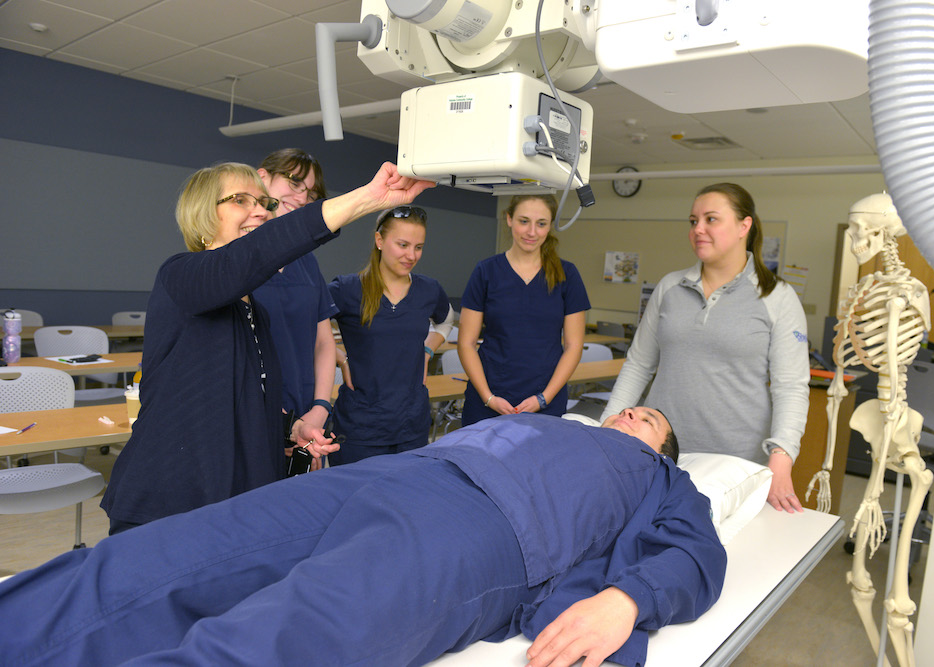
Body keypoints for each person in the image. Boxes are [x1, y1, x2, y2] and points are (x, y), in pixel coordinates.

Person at [0, 408, 725, 667]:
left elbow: (700, 556)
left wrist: (628, 600)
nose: (634, 413)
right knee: (161, 556)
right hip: (395, 474)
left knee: (282, 636)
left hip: (485, 530)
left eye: (651, 418)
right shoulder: (561, 422)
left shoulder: (659, 479)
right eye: (632, 409)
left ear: (664, 450)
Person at [99, 161, 434, 533]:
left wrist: (290, 429)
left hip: (233, 507)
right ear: (202, 214)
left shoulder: (255, 312)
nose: (260, 210)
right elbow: (254, 255)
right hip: (167, 507)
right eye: (240, 200)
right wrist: (367, 199)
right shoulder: (181, 276)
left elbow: (243, 397)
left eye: (264, 203)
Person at [600, 183, 810, 513]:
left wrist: (782, 458)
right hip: (657, 453)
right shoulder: (670, 287)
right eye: (693, 220)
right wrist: (607, 426)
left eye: (711, 219)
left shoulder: (778, 298)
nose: (698, 229)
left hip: (734, 463)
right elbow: (638, 364)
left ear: (744, 226)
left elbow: (791, 387)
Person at [326, 205, 453, 463]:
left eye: (418, 247)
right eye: (403, 245)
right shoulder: (348, 289)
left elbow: (446, 320)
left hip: (411, 425)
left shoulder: (429, 290)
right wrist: (338, 356)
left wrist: (428, 350)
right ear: (380, 240)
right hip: (360, 427)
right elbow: (306, 322)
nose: (411, 255)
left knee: (401, 500)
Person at [458, 194, 590, 426]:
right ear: (509, 219)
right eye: (523, 221)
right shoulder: (486, 271)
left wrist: (544, 398)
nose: (531, 232)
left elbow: (573, 346)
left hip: (545, 402)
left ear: (550, 227)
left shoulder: (567, 274)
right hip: (488, 400)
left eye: (541, 224)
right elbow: (466, 343)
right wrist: (488, 398)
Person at [251, 149, 338, 459]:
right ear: (263, 178)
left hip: (307, 421)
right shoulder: (237, 259)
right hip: (255, 421)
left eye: (310, 192)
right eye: (294, 182)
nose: (302, 197)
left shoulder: (306, 262)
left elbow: (324, 343)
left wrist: (320, 408)